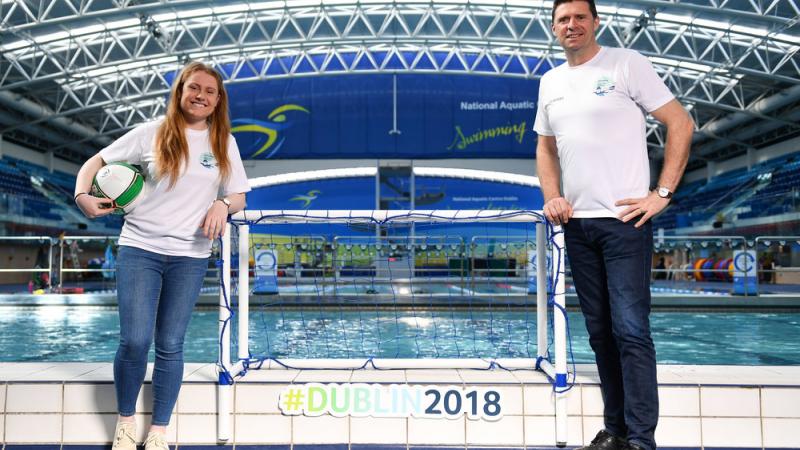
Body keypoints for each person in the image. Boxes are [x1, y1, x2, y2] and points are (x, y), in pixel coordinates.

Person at [533, 1, 694, 450]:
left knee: (630, 330)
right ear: (553, 28)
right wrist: (552, 196)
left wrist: (660, 194)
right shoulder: (551, 82)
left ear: (596, 22)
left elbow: (680, 123)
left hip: (625, 221)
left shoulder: (626, 64)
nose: (572, 25)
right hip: (578, 226)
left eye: (580, 17)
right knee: (600, 332)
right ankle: (617, 429)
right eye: (563, 19)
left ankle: (642, 440)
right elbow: (546, 149)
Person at [74, 61, 250, 450]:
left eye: (210, 91)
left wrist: (223, 204)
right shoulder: (150, 133)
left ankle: (159, 431)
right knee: (135, 340)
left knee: (171, 343)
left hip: (190, 255)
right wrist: (82, 195)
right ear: (180, 90)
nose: (201, 96)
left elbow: (239, 193)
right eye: (194, 88)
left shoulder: (224, 142)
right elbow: (95, 162)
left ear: (218, 100)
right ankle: (125, 422)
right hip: (141, 248)